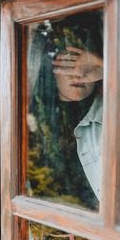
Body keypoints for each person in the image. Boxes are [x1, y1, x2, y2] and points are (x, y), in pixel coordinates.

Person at [27, 11, 103, 211]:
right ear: (52, 68)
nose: (79, 73)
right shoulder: (31, 116)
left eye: (87, 67)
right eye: (69, 63)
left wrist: (106, 66)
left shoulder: (113, 114)